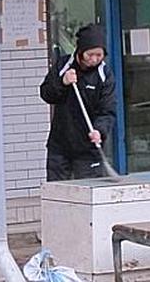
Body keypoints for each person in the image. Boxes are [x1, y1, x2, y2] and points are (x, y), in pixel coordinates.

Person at [40, 24, 116, 181]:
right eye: (90, 54)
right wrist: (62, 82)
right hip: (60, 146)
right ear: (81, 52)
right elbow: (46, 94)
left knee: (89, 193)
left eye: (99, 55)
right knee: (58, 194)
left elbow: (107, 110)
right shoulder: (63, 66)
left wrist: (99, 130)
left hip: (88, 149)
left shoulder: (104, 75)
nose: (94, 59)